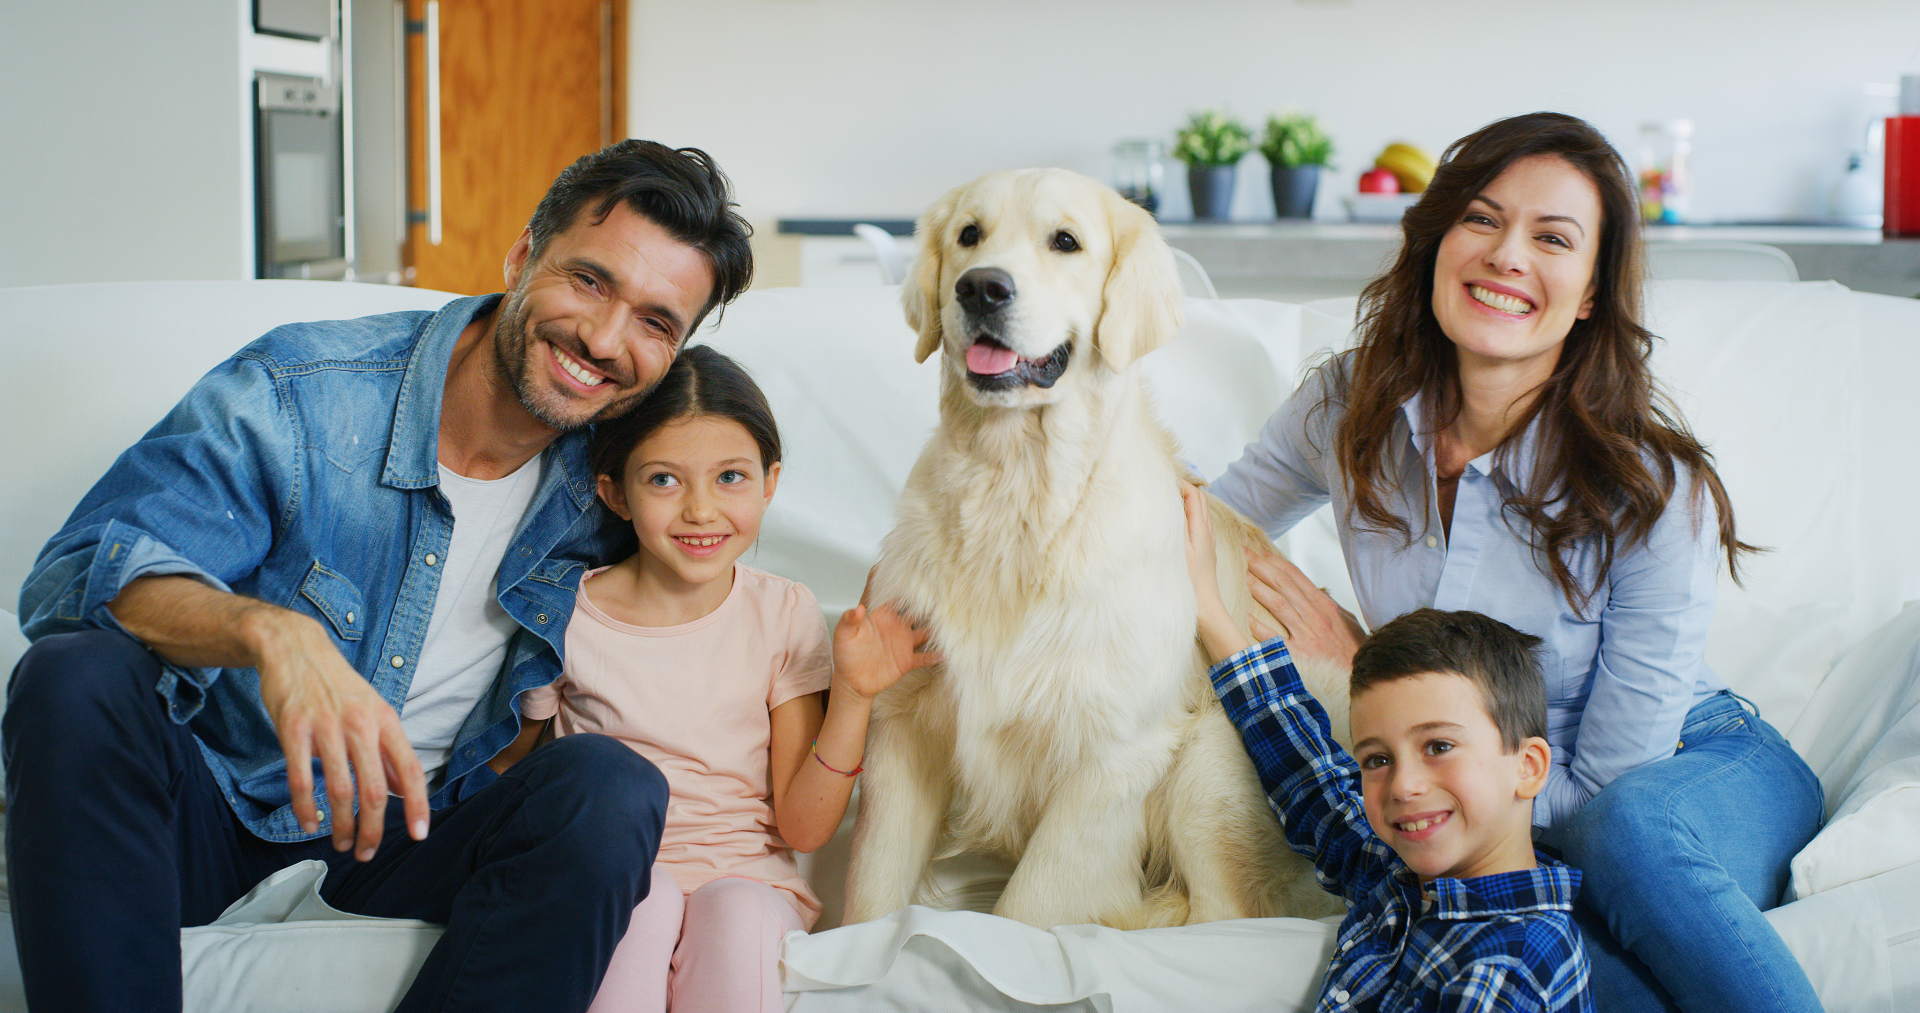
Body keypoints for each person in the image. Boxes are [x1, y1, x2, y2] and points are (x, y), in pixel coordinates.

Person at [6, 139, 754, 1013]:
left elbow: (717, 588)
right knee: (76, 675)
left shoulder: (620, 482)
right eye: (589, 281)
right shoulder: (305, 391)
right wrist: (269, 632)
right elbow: (73, 575)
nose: (603, 338)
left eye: (655, 323)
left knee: (612, 788)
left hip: (419, 836)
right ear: (521, 257)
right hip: (213, 808)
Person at [1206, 112, 1823, 1012]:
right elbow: (1196, 521)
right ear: (1438, 244)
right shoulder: (1347, 405)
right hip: (1503, 793)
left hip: (1695, 771)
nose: (1506, 255)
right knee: (1532, 947)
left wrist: (1371, 673)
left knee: (1623, 832)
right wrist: (939, 605)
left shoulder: (1651, 492)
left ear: (1586, 297)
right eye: (1483, 219)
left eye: (1553, 238)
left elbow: (1603, 796)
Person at [485, 344, 935, 1013]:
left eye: (730, 477)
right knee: (644, 898)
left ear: (769, 482)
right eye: (665, 480)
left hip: (749, 881)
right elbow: (507, 774)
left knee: (736, 911)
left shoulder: (782, 611)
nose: (701, 510)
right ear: (614, 492)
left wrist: (856, 694)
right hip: (614, 875)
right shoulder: (567, 613)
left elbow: (805, 828)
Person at [1185, 490, 1589, 1009]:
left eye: (1438, 746)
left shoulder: (1508, 969)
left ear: (1528, 768)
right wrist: (1211, 612)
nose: (1403, 785)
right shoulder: (1399, 879)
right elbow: (1316, 786)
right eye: (1377, 759)